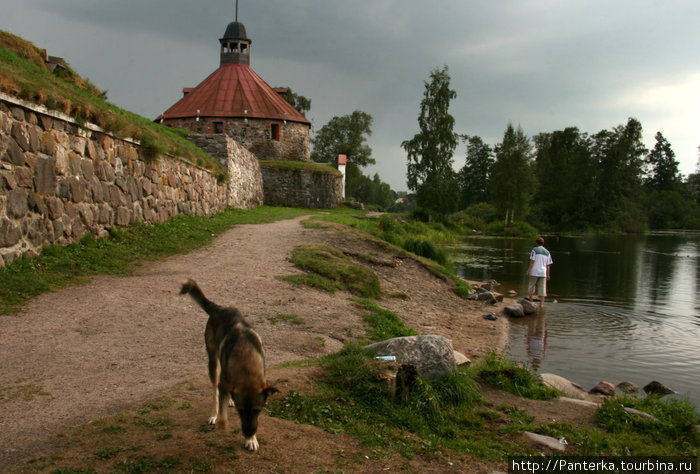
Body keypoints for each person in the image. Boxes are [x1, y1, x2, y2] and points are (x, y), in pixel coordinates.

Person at [526, 237, 553, 309]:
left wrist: (528, 271)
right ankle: (541, 304)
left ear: (536, 243)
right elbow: (548, 266)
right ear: (543, 243)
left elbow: (532, 262)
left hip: (534, 271)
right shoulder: (547, 252)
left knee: (531, 286)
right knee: (542, 288)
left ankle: (531, 302)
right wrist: (548, 275)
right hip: (543, 272)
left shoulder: (534, 250)